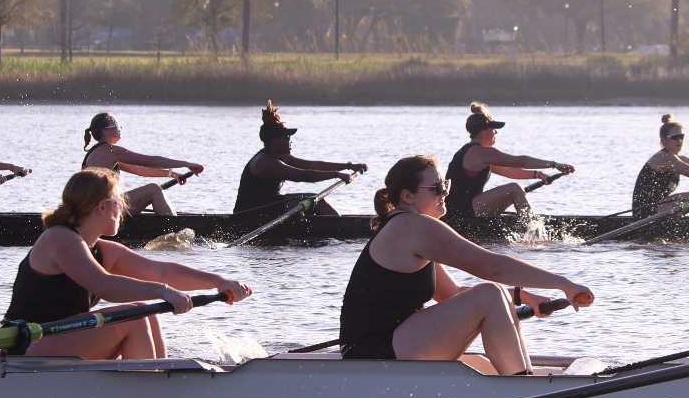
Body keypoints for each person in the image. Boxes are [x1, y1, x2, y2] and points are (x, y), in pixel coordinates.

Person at [338, 156, 595, 374]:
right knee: (490, 293)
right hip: (374, 352)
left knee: (492, 293)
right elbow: (491, 266)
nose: (446, 193)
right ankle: (522, 387)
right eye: (437, 188)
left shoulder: (406, 228)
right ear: (407, 196)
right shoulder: (412, 227)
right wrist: (564, 284)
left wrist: (523, 296)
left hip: (389, 344)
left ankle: (521, 379)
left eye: (445, 185)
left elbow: (453, 295)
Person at [10, 169, 251, 360]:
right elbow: (105, 285)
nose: (123, 208)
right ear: (102, 206)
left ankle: (155, 380)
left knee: (146, 313)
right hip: (29, 345)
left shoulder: (103, 250)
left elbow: (161, 271)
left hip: (60, 339)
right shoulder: (59, 238)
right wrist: (162, 292)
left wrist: (219, 281)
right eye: (118, 201)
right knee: (134, 317)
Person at [445, 102, 574, 220]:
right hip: (460, 213)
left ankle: (527, 225)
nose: (496, 132)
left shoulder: (475, 153)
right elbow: (521, 161)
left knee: (514, 189)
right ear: (483, 133)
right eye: (493, 129)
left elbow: (509, 171)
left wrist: (538, 175)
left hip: (461, 209)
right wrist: (555, 165)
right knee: (514, 189)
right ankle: (533, 230)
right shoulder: (480, 152)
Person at [232, 102, 365, 216]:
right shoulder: (265, 163)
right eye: (287, 138)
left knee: (312, 204)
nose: (290, 142)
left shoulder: (281, 157)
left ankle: (334, 227)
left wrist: (349, 166)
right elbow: (302, 175)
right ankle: (342, 228)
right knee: (313, 200)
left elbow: (314, 166)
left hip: (268, 207)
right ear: (275, 141)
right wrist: (336, 174)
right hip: (250, 213)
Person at [80, 111, 203, 216]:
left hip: (98, 207)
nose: (120, 129)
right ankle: (177, 231)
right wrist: (187, 164)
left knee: (152, 190)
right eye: (117, 126)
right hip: (101, 210)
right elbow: (152, 161)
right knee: (154, 190)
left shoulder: (104, 153)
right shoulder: (110, 151)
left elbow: (139, 169)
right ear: (106, 131)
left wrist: (171, 174)